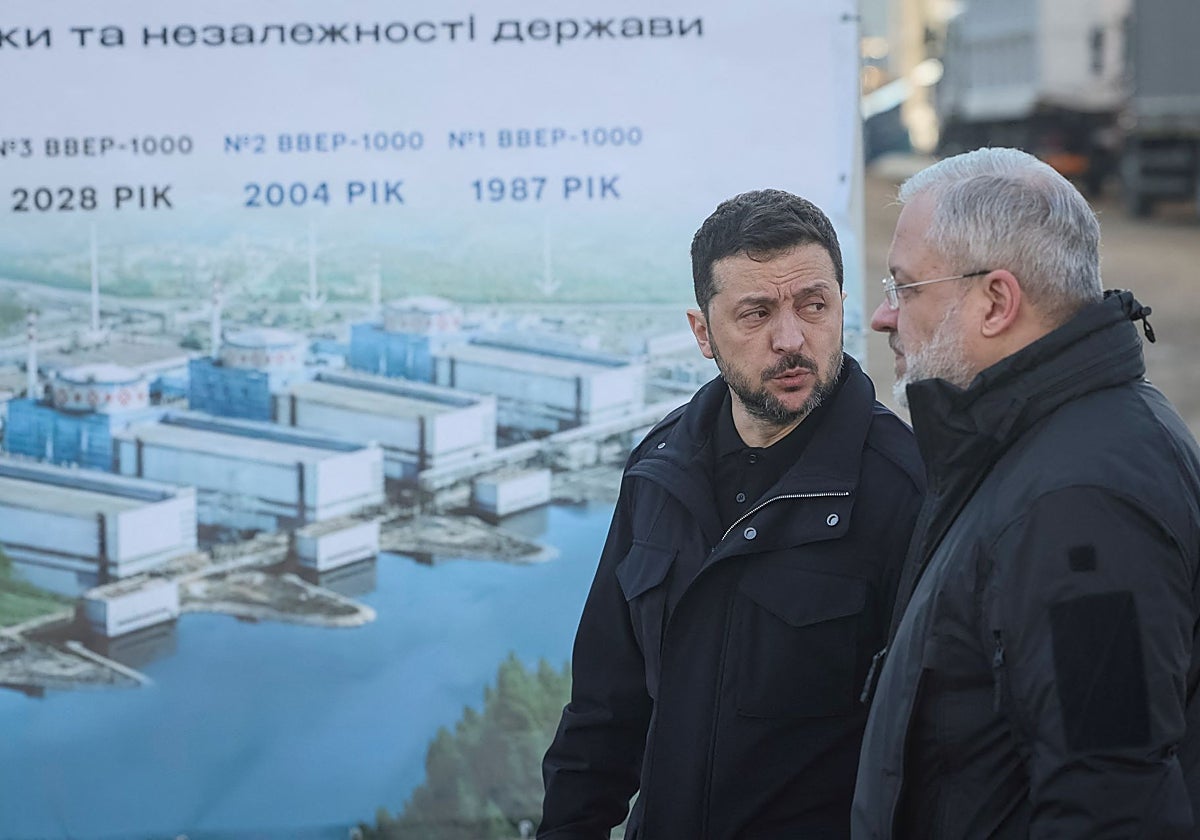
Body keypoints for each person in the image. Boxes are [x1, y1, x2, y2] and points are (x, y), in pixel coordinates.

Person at [538, 189, 925, 839]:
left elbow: (933, 753)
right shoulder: (658, 472)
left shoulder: (905, 488)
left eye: (814, 305)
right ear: (702, 334)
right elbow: (604, 716)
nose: (791, 338)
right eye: (756, 313)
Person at [853, 147, 1200, 838]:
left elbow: (1109, 805)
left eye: (904, 287)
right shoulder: (1029, 442)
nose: (883, 318)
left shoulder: (1080, 508)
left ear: (995, 301)